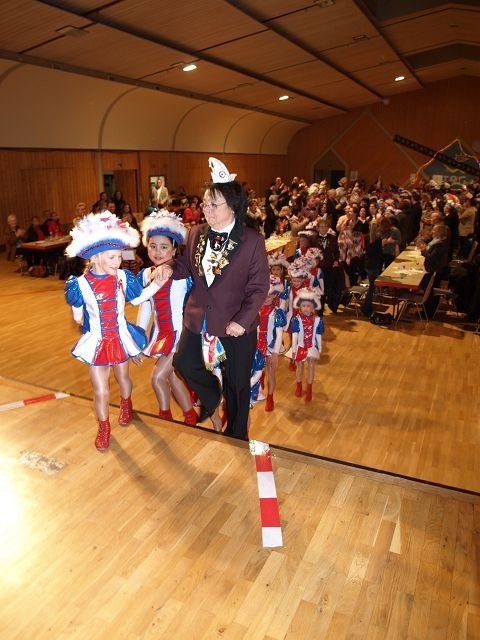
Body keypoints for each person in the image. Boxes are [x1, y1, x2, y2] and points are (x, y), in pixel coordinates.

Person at [158, 157, 269, 440]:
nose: (206, 210)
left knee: (237, 383)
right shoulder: (196, 233)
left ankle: (237, 435)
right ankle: (211, 394)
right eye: (205, 204)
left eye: (213, 204)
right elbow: (187, 266)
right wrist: (169, 268)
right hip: (199, 316)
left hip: (236, 323)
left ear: (232, 206)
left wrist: (242, 321)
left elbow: (259, 287)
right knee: (184, 362)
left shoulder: (252, 241)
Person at [64, 211, 166, 452]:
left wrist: (157, 284)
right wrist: (82, 314)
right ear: (95, 257)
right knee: (100, 390)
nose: (117, 261)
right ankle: (104, 427)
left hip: (119, 338)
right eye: (112, 257)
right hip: (97, 342)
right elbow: (78, 316)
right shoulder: (79, 285)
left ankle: (126, 403)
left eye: (119, 256)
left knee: (123, 378)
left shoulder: (122, 278)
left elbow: (138, 298)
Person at [136, 210, 198, 425]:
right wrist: (139, 337)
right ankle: (190, 415)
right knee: (170, 376)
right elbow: (145, 308)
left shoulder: (181, 272)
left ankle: (165, 417)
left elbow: (186, 268)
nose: (157, 251)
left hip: (181, 334)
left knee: (157, 377)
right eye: (153, 246)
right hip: (162, 334)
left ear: (174, 248)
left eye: (164, 247)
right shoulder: (146, 274)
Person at [256, 275, 288, 412]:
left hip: (270, 347)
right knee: (256, 371)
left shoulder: (277, 313)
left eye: (270, 295)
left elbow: (279, 334)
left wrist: (275, 353)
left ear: (275, 295)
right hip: (256, 346)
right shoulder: (255, 309)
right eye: (264, 295)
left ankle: (270, 396)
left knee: (271, 373)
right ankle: (258, 389)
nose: (266, 298)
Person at [289, 287, 324, 402]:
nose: (306, 308)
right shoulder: (296, 319)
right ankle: (299, 385)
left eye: (308, 306)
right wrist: (294, 349)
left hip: (311, 347)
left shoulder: (318, 320)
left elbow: (318, 335)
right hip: (300, 346)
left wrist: (319, 348)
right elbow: (294, 335)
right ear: (299, 306)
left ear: (313, 307)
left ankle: (309, 388)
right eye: (303, 305)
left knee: (311, 365)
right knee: (299, 366)